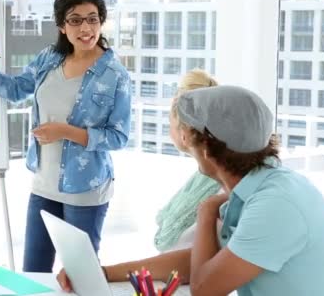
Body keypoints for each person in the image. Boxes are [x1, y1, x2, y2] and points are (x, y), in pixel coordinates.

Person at [0, 0, 131, 272]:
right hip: (44, 184)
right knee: (33, 272)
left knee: (80, 274)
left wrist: (65, 131)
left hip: (86, 188)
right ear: (61, 26)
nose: (86, 28)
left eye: (93, 19)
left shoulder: (115, 74)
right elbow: (16, 89)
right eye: (76, 20)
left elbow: (118, 137)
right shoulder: (49, 59)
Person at [175, 85, 324, 295]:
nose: (183, 142)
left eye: (185, 135)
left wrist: (206, 212)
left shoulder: (274, 204)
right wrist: (126, 269)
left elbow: (205, 289)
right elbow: (213, 260)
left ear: (205, 148)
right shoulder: (264, 187)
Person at [58, 69, 221, 291]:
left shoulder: (220, 187)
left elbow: (191, 261)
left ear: (184, 130)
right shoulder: (207, 175)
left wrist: (105, 272)